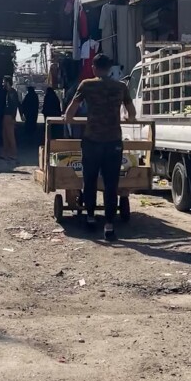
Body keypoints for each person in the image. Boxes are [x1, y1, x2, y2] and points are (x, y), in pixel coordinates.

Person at [64, 54, 136, 241]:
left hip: (92, 139)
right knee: (111, 184)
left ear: (94, 68)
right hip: (113, 141)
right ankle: (109, 226)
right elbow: (132, 113)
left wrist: (70, 120)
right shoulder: (121, 86)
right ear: (110, 68)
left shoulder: (87, 84)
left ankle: (90, 218)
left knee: (90, 180)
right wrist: (128, 119)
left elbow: (70, 112)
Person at [1, 75, 19, 161]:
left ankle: (13, 153)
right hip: (6, 116)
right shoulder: (8, 92)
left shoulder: (12, 92)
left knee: (10, 135)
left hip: (9, 116)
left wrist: (13, 117)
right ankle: (6, 153)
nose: (2, 83)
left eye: (4, 81)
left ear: (7, 82)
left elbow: (15, 106)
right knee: (5, 135)